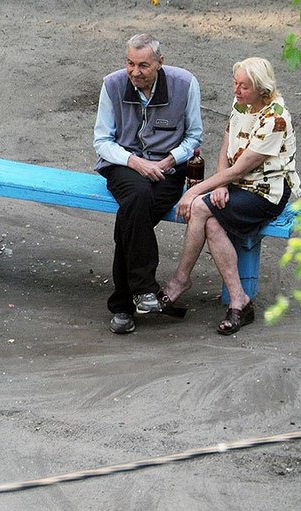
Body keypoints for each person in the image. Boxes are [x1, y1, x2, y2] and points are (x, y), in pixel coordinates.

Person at [161, 57, 301, 335]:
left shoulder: (275, 119)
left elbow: (241, 168)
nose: (236, 91)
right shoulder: (242, 105)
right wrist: (220, 187)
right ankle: (240, 301)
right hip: (237, 184)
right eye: (235, 83)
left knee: (201, 208)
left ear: (262, 89)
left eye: (244, 86)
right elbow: (226, 153)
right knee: (213, 222)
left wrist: (196, 191)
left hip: (265, 191)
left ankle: (179, 280)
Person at [93, 33, 203, 334]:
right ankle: (144, 289)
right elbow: (102, 141)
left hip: (168, 168)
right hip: (123, 164)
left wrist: (169, 161)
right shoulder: (112, 84)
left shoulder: (185, 84)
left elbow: (194, 136)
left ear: (160, 63)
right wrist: (135, 162)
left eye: (143, 65)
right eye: (130, 63)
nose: (134, 72)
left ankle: (123, 306)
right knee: (137, 195)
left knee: (130, 216)